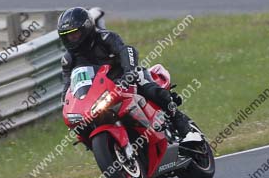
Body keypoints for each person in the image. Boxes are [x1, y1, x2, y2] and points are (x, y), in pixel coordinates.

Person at [57, 7, 199, 143]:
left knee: (151, 91)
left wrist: (129, 73)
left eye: (75, 34)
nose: (72, 38)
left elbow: (127, 51)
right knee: (84, 127)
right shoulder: (68, 60)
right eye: (68, 36)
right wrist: (66, 104)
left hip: (125, 78)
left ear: (86, 29)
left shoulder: (105, 38)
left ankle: (185, 130)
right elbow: (68, 86)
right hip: (101, 93)